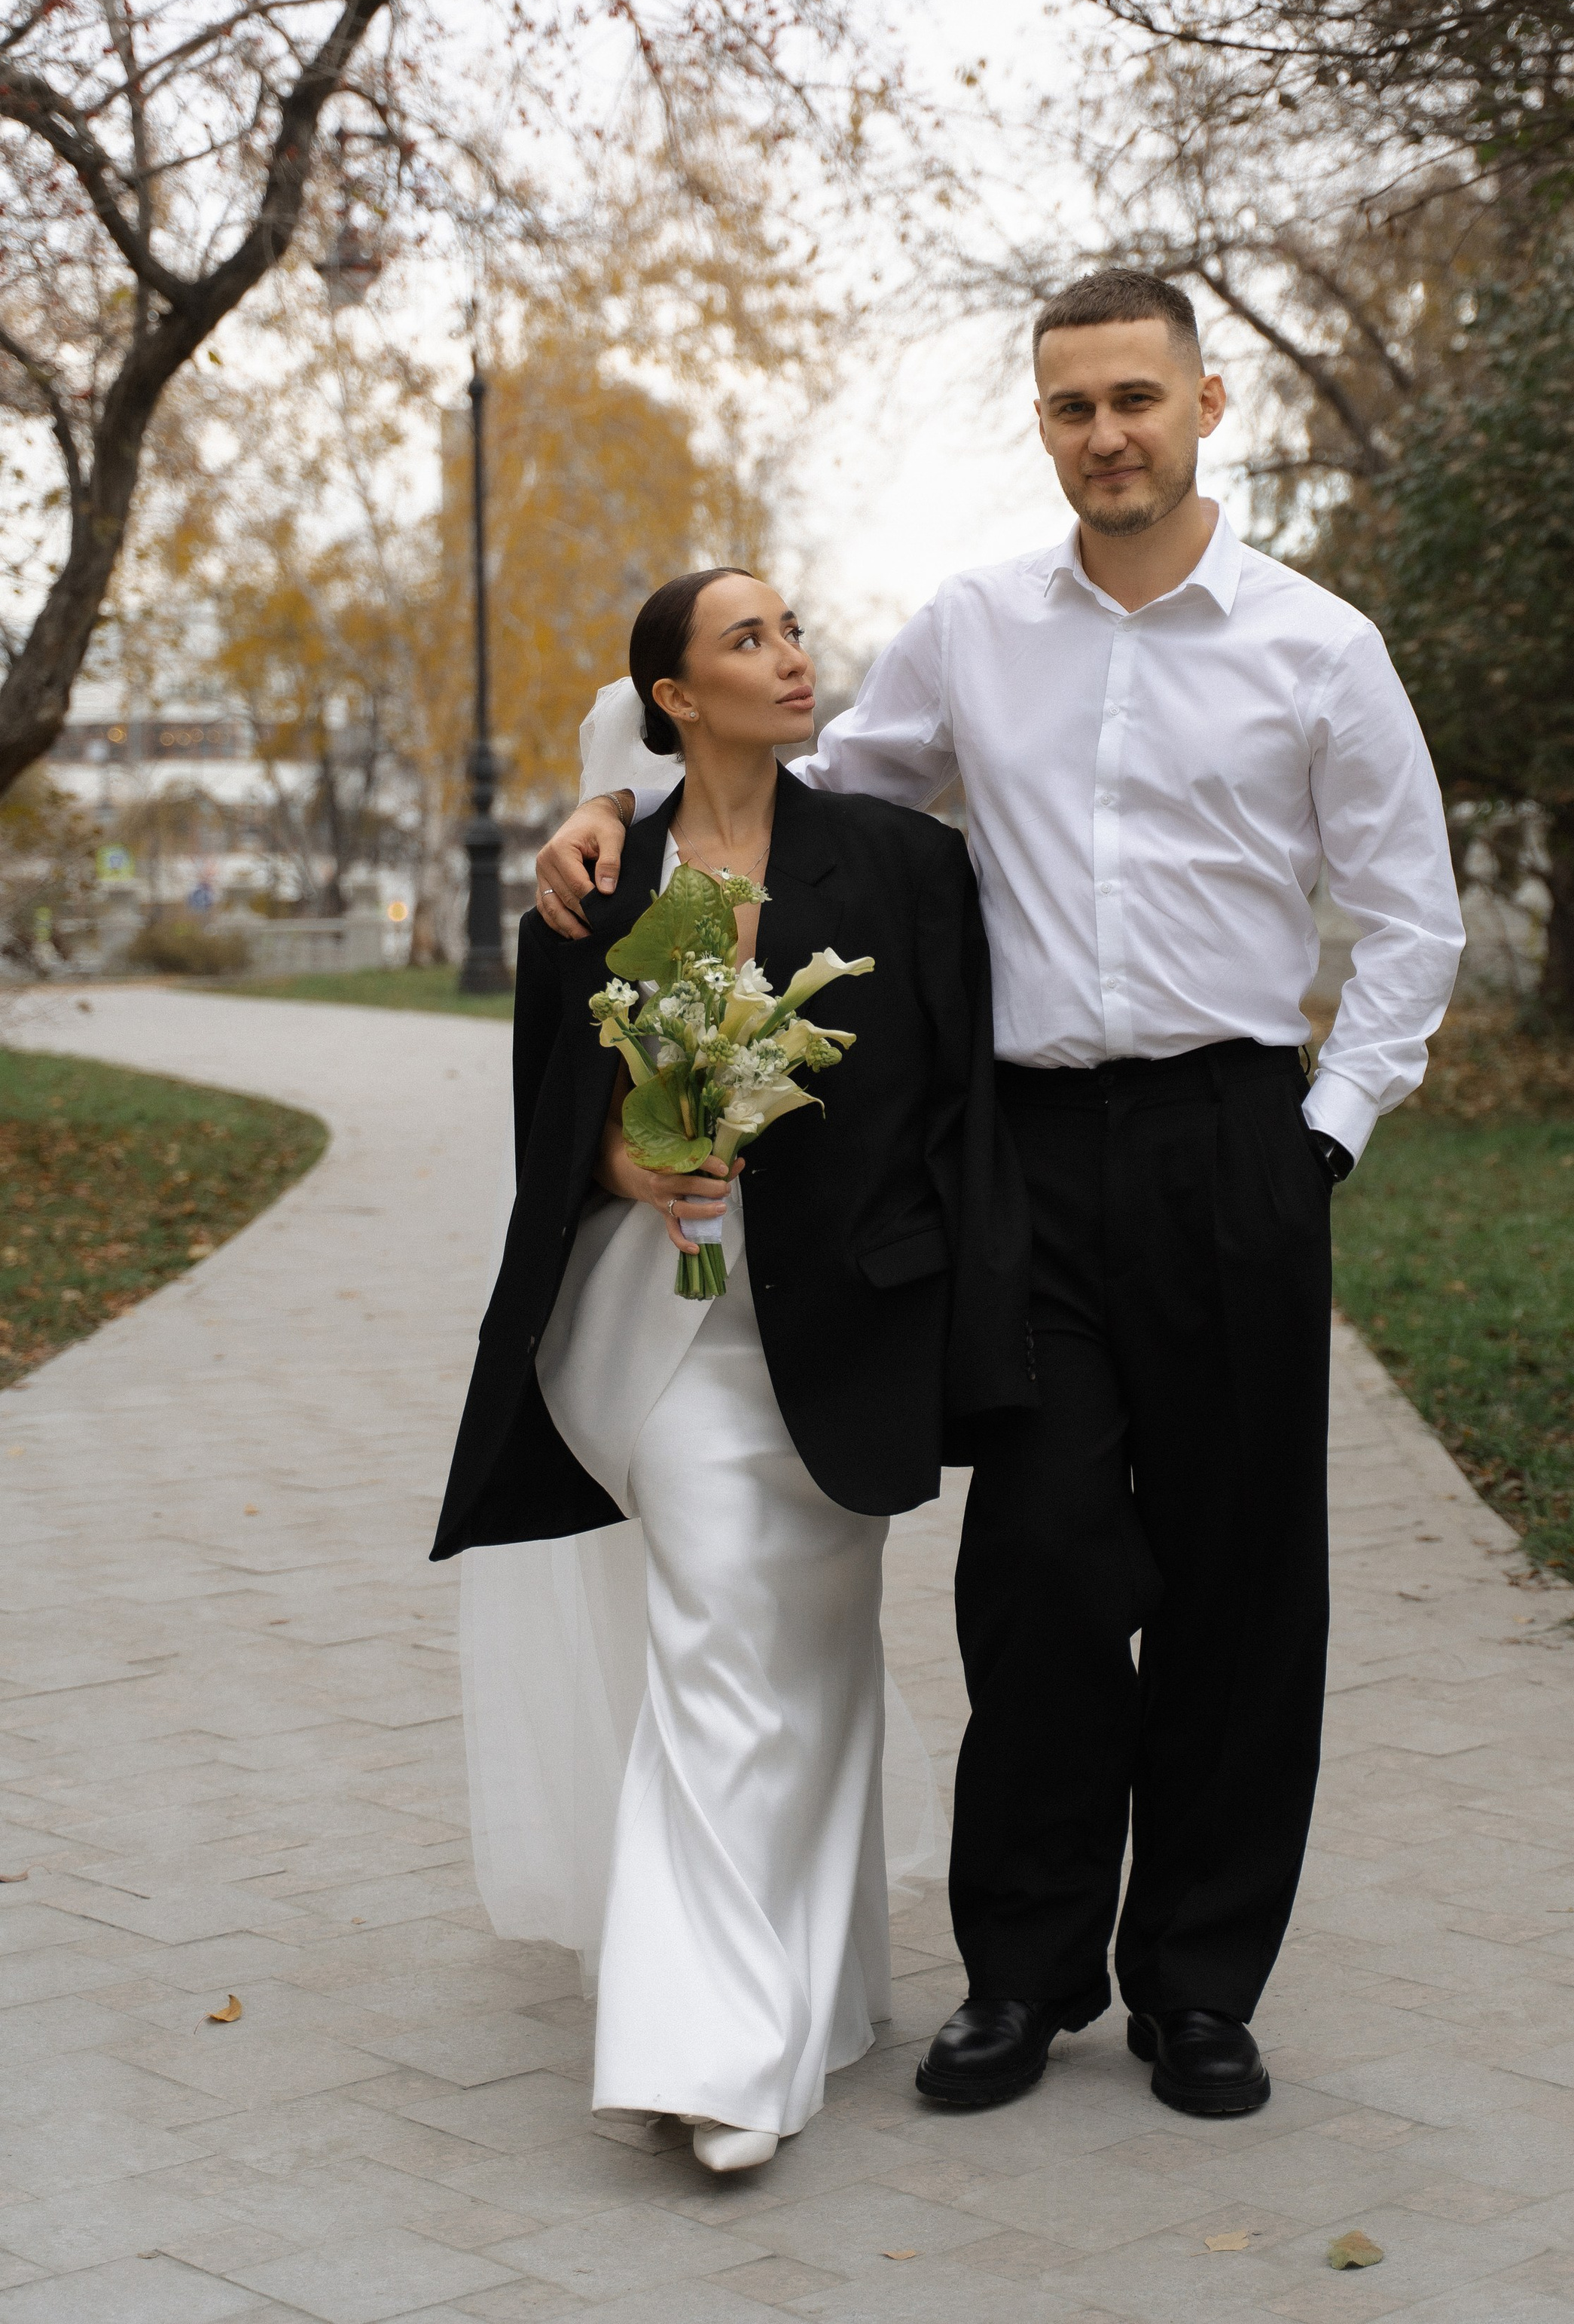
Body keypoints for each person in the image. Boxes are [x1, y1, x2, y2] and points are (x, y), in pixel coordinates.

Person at [531, 270, 1464, 2122]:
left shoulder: (1316, 646)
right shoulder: (972, 628)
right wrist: (613, 813)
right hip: (1024, 1166)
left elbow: (1408, 917)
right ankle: (1020, 1977)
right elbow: (798, 799)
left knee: (1235, 1576)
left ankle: (1196, 1983)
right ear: (1040, 428)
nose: (1103, 432)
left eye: (1134, 397)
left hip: (1232, 1149)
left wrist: (1323, 1128)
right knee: (1033, 1568)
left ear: (1209, 406)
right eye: (1068, 406)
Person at [433, 568, 1030, 2171]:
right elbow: (549, 1109)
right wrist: (627, 1164)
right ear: (673, 699)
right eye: (747, 640)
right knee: (716, 1653)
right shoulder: (597, 880)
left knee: (819, 1662)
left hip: (853, 1328)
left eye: (790, 631)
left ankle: (821, 1999)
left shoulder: (907, 864)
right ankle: (705, 2058)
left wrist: (974, 1335)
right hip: (665, 1333)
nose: (791, 656)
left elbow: (957, 1106)